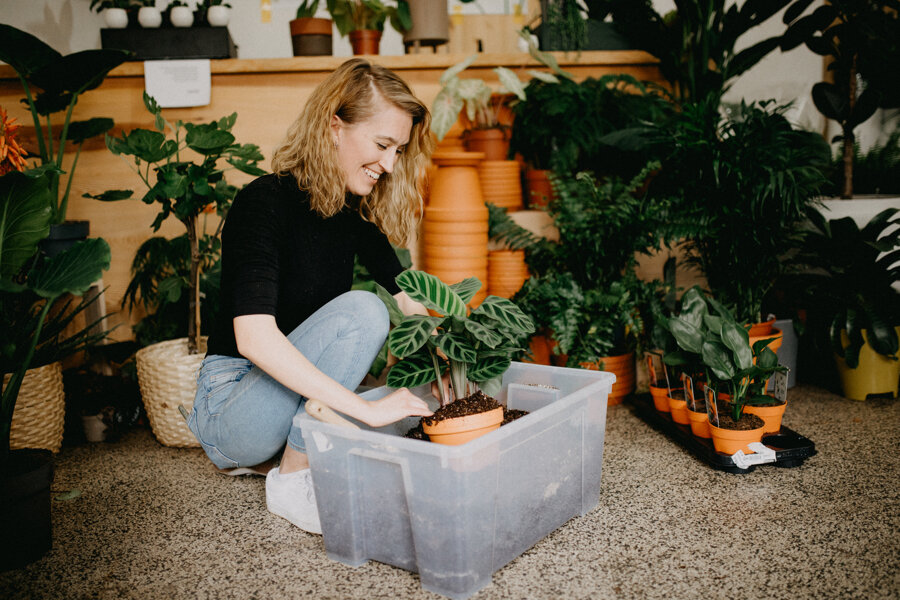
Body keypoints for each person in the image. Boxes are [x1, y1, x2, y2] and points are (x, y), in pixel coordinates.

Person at [187, 58, 436, 535]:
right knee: (363, 310)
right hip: (233, 404)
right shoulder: (264, 201)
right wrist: (363, 408)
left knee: (413, 408)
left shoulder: (353, 213)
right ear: (333, 127)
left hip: (290, 393)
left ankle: (303, 440)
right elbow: (254, 339)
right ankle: (294, 473)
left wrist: (443, 359)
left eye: (398, 150)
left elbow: (407, 295)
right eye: (382, 144)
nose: (389, 164)